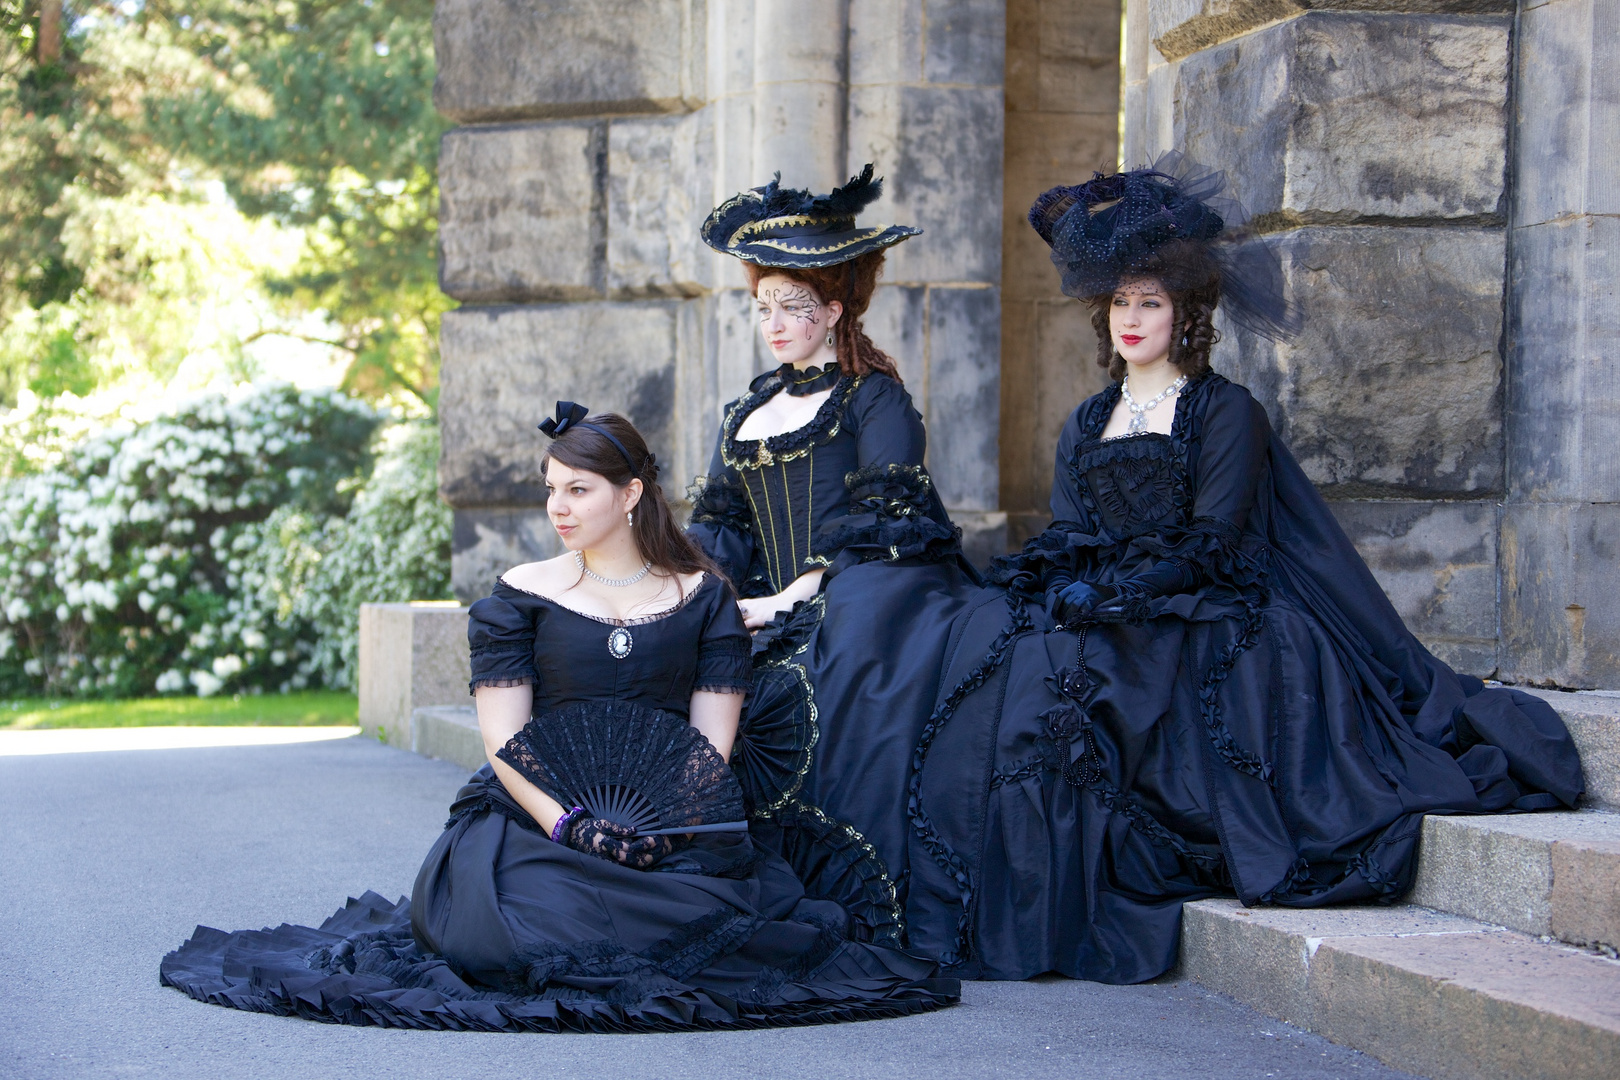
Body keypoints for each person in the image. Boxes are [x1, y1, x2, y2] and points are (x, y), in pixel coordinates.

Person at [904, 157, 1586, 984]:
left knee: (1087, 678)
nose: (1131, 318)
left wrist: (1123, 596)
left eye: (1149, 302)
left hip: (1203, 603)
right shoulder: (1089, 418)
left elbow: (1212, 540)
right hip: (1113, 598)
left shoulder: (1225, 411)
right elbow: (1072, 529)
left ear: (1184, 310)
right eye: (1120, 301)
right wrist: (1052, 582)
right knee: (1000, 652)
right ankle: (1019, 897)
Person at [161, 404, 957, 1031]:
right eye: (551, 488)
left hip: (667, 822)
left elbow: (710, 744)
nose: (558, 507)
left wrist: (666, 828)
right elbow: (506, 742)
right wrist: (571, 825)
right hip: (529, 816)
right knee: (522, 926)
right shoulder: (521, 595)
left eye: (577, 489)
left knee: (702, 923)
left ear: (631, 494)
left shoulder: (703, 598)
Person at [686, 166, 980, 946]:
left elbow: (880, 518)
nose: (775, 323)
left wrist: (790, 602)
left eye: (794, 307)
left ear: (835, 308)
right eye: (764, 307)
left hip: (863, 590)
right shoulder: (748, 409)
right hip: (764, 597)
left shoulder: (873, 399)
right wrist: (703, 597)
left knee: (824, 663)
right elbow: (720, 525)